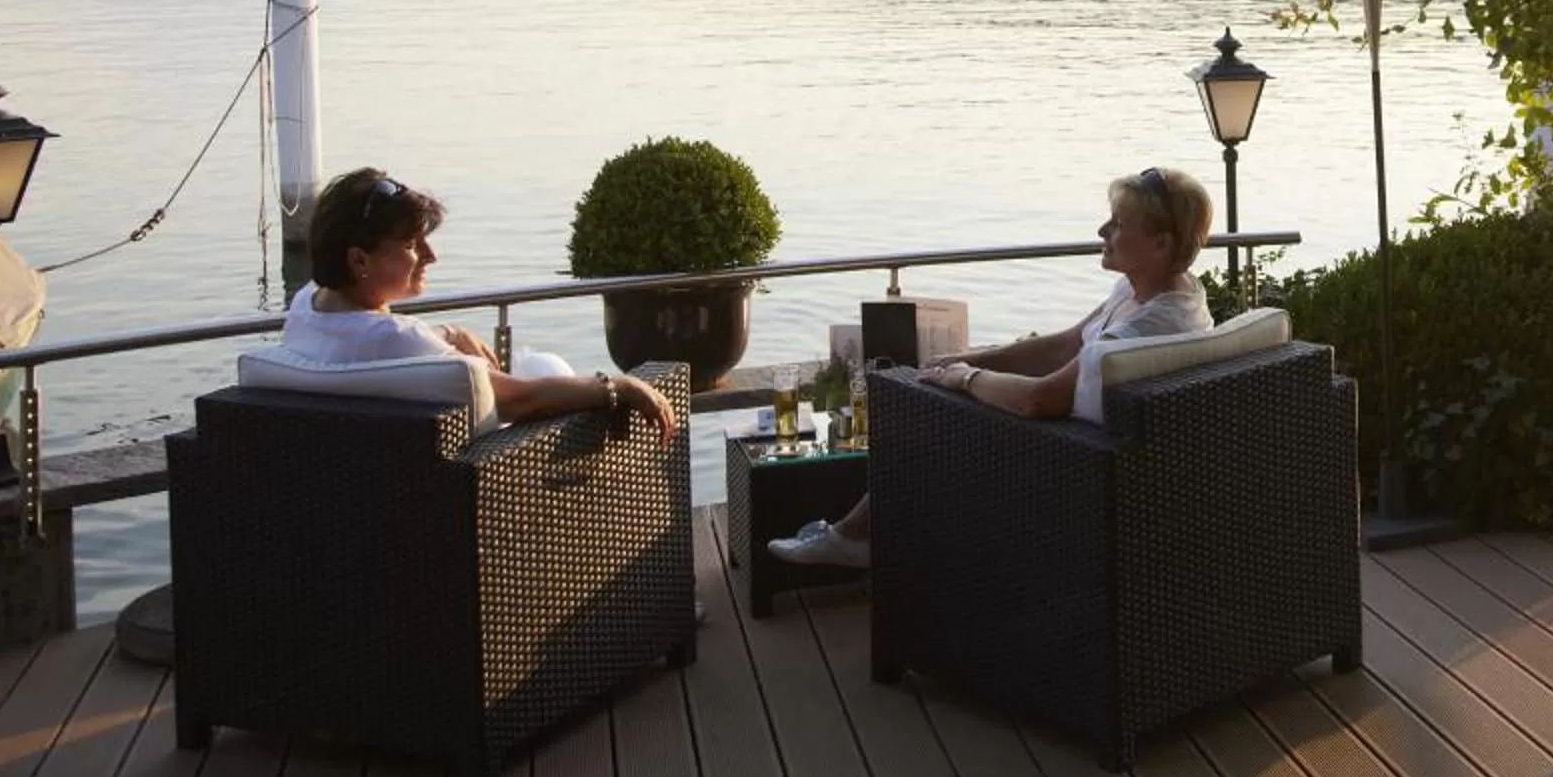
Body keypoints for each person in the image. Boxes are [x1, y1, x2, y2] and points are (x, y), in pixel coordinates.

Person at [765, 166, 1214, 569]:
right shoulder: (1155, 291)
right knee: (936, 395)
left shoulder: (1151, 324)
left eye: (1117, 224)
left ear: (1160, 243)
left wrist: (967, 378)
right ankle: (870, 539)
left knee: (929, 410)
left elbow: (1040, 399)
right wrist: (972, 359)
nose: (1102, 230)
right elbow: (1066, 343)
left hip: (1076, 469)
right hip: (1091, 447)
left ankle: (857, 539)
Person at [283, 167, 677, 439]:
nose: (429, 256)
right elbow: (520, 400)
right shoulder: (398, 339)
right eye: (410, 246)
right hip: (472, 479)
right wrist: (616, 386)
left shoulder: (306, 307)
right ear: (358, 260)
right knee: (544, 366)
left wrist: (449, 333)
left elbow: (362, 339)